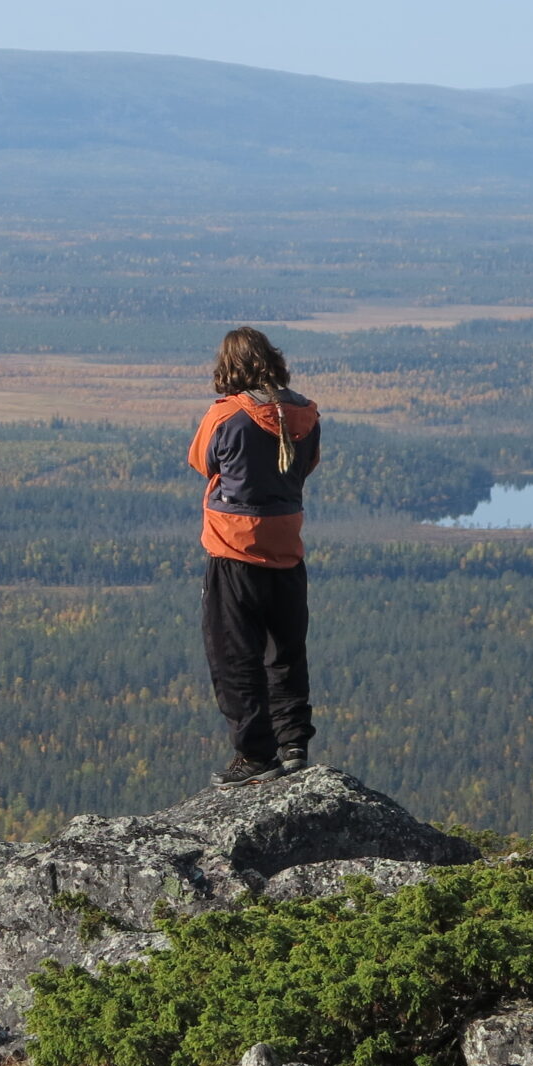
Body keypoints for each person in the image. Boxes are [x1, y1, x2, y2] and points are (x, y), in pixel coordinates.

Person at [186, 325, 322, 786]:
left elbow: (202, 461)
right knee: (285, 647)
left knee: (235, 652)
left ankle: (255, 754)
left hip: (233, 547)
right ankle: (294, 743)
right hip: (286, 544)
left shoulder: (226, 415)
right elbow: (307, 465)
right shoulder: (305, 412)